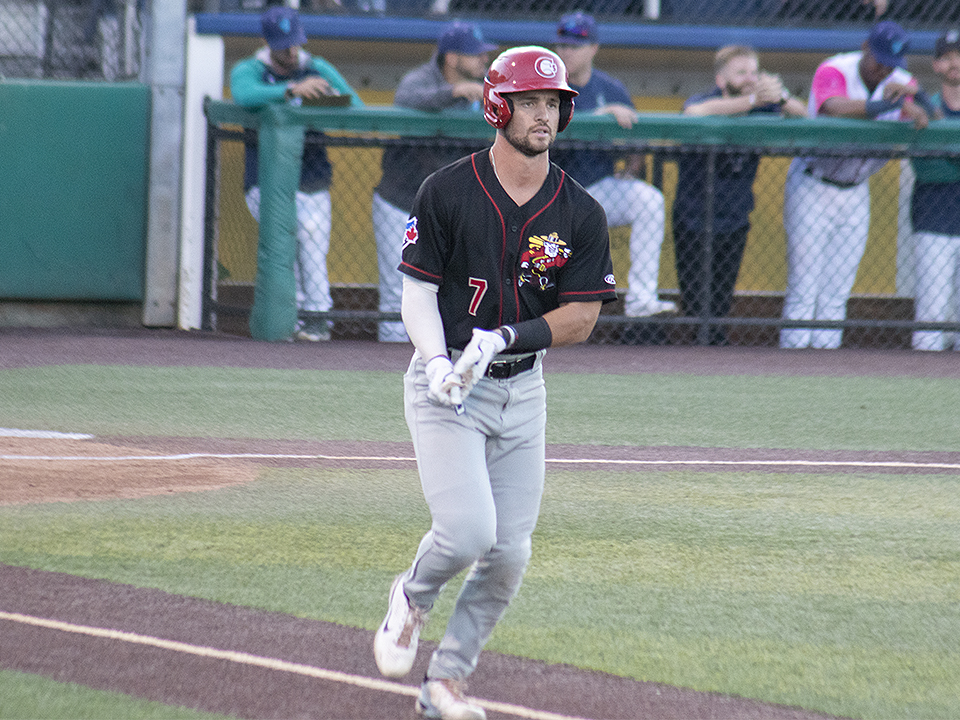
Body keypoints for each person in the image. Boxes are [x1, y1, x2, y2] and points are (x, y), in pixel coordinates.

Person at [372, 46, 617, 720]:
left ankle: (446, 681)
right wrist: (434, 363)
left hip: (521, 388)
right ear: (497, 106)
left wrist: (506, 338)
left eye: (553, 104)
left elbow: (582, 317)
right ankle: (412, 597)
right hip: (446, 382)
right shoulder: (446, 189)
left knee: (509, 555)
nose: (544, 114)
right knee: (468, 533)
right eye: (530, 102)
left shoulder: (580, 211)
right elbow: (417, 294)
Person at [780, 21, 930, 349]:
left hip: (856, 190)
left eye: (891, 63)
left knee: (837, 290)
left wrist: (917, 105)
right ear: (865, 47)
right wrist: (889, 105)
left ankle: (825, 367)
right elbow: (834, 108)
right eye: (878, 60)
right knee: (805, 287)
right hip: (813, 184)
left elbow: (927, 116)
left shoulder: (899, 80)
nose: (883, 69)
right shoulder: (835, 69)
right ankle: (791, 364)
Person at [230, 6, 364, 342]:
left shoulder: (316, 67)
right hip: (265, 178)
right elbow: (243, 93)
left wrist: (328, 96)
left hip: (313, 176)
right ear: (268, 42)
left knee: (312, 244)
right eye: (283, 44)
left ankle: (316, 319)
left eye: (295, 43)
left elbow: (358, 107)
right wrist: (290, 90)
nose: (291, 51)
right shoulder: (252, 69)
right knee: (289, 242)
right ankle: (294, 317)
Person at [372, 21, 496, 342]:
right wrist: (452, 92)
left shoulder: (486, 86)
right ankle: (388, 361)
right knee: (397, 292)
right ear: (452, 58)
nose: (484, 60)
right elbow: (406, 99)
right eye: (476, 54)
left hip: (450, 211)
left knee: (449, 291)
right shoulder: (420, 79)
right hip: (399, 202)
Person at [673, 45, 807, 346]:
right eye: (741, 72)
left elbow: (803, 115)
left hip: (734, 217)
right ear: (722, 80)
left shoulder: (762, 105)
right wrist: (750, 100)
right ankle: (696, 355)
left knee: (721, 301)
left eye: (754, 72)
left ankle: (717, 353)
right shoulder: (707, 100)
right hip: (694, 218)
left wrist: (780, 96)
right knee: (696, 302)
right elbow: (692, 113)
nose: (749, 78)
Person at [550, 11, 675, 318]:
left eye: (575, 46)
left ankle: (642, 299)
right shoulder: (549, 84)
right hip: (551, 190)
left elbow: (638, 143)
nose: (566, 52)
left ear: (593, 48)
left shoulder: (611, 87)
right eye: (562, 46)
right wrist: (602, 115)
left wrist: (630, 171)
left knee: (649, 200)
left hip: (598, 189)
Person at [910, 29, 960, 351]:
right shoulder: (923, 110)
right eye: (948, 57)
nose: (955, 63)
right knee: (930, 321)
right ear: (936, 65)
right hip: (933, 220)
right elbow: (925, 168)